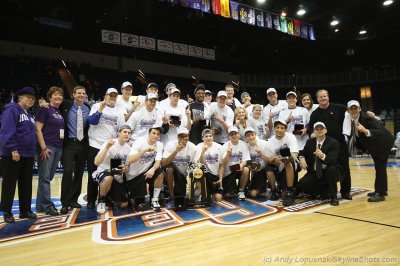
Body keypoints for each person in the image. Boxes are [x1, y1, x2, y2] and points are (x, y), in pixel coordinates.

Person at [0, 87, 38, 223]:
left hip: (27, 154)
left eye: (33, 98)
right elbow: (6, 131)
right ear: (19, 97)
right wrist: (13, 149)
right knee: (9, 183)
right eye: (27, 97)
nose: (30, 99)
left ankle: (25, 210)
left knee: (26, 183)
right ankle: (7, 211)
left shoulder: (29, 114)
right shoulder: (11, 109)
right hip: (13, 154)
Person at [307, 89, 352, 200]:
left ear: (328, 97)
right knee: (329, 169)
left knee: (345, 168)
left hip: (340, 145)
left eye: (324, 96)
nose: (323, 98)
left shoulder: (339, 108)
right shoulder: (315, 113)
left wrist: (367, 112)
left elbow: (353, 110)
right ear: (317, 99)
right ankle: (329, 191)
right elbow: (310, 130)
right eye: (320, 97)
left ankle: (345, 192)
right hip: (326, 148)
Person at [346, 100, 394, 202]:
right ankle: (382, 190)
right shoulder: (350, 118)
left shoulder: (366, 118)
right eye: (351, 108)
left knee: (380, 167)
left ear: (359, 109)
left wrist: (365, 130)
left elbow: (379, 131)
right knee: (380, 167)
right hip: (375, 145)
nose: (354, 110)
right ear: (348, 110)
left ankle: (380, 194)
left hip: (382, 143)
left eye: (356, 108)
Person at [86, 88, 126, 208]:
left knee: (113, 173)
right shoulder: (97, 106)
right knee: (93, 173)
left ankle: (107, 198)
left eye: (115, 96)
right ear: (105, 96)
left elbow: (121, 129)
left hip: (111, 147)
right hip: (95, 144)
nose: (112, 97)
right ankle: (91, 200)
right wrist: (100, 109)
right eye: (110, 95)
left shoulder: (119, 111)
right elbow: (92, 122)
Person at [60, 86, 91, 214]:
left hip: (83, 144)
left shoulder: (88, 108)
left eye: (83, 93)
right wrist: (43, 103)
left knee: (79, 173)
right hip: (69, 144)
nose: (81, 95)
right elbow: (53, 105)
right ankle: (65, 202)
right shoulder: (65, 105)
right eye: (79, 93)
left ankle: (73, 199)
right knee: (67, 172)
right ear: (73, 94)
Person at [35, 86, 65, 216]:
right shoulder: (44, 109)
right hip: (47, 147)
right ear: (50, 96)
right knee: (45, 178)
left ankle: (39, 206)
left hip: (58, 147)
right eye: (55, 95)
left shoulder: (58, 111)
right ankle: (48, 206)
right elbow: (37, 129)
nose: (58, 97)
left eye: (60, 95)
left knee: (48, 177)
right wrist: (43, 147)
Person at [92, 125, 132, 214]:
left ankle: (110, 198)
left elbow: (126, 167)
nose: (127, 134)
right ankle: (101, 201)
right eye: (124, 132)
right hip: (103, 172)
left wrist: (126, 168)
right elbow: (96, 162)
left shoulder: (128, 148)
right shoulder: (110, 143)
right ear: (119, 133)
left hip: (117, 175)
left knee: (124, 205)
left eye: (129, 133)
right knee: (108, 178)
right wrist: (107, 147)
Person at [298, 122, 340, 206]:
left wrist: (322, 155)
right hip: (315, 173)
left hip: (330, 172)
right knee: (303, 183)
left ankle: (334, 197)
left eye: (321, 129)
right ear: (314, 131)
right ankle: (319, 191)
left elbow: (333, 160)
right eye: (317, 129)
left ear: (326, 130)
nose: (319, 130)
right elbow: (302, 152)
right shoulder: (310, 143)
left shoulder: (333, 142)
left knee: (331, 169)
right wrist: (302, 158)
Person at [126, 127, 165, 211]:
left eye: (158, 134)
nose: (156, 136)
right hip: (134, 174)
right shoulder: (139, 142)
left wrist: (153, 169)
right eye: (154, 133)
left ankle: (154, 200)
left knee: (160, 172)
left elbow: (158, 162)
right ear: (148, 133)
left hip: (146, 172)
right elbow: (130, 160)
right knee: (138, 206)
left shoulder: (159, 145)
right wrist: (144, 150)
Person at [265, 120, 299, 206]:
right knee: (268, 170)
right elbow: (269, 159)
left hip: (290, 162)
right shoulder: (270, 141)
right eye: (277, 128)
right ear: (274, 129)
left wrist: (283, 159)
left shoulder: (290, 137)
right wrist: (276, 159)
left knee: (288, 163)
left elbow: (294, 155)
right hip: (277, 164)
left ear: (285, 129)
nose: (279, 130)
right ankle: (274, 190)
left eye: (282, 128)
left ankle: (289, 191)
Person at [162, 128, 196, 208]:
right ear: (177, 137)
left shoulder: (193, 147)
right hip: (174, 172)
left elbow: (194, 164)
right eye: (181, 136)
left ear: (188, 137)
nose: (184, 138)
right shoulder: (170, 145)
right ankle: (171, 197)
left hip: (186, 173)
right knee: (170, 169)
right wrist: (176, 151)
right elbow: (164, 163)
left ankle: (191, 195)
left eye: (186, 136)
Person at [220, 126, 251, 200]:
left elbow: (245, 160)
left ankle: (241, 190)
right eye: (231, 134)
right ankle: (232, 189)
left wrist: (241, 165)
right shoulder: (225, 146)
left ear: (239, 135)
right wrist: (228, 154)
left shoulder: (244, 144)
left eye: (235, 133)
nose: (234, 136)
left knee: (246, 169)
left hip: (239, 169)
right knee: (227, 195)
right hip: (228, 171)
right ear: (229, 136)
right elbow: (223, 164)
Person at [193, 129, 224, 202]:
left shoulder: (219, 147)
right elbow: (200, 165)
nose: (208, 138)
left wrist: (220, 179)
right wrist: (203, 151)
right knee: (206, 199)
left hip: (215, 176)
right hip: (204, 175)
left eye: (210, 136)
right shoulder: (198, 147)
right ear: (202, 138)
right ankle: (202, 192)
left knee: (218, 198)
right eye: (206, 136)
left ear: (213, 137)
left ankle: (211, 193)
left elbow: (221, 165)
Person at [244, 127, 273, 197]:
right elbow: (246, 161)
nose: (251, 137)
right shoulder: (246, 146)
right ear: (245, 137)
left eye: (252, 135)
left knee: (268, 170)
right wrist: (250, 167)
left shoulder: (264, 143)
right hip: (255, 171)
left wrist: (261, 153)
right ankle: (262, 187)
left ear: (255, 135)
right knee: (253, 194)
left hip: (265, 169)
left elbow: (269, 161)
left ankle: (272, 188)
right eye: (248, 136)